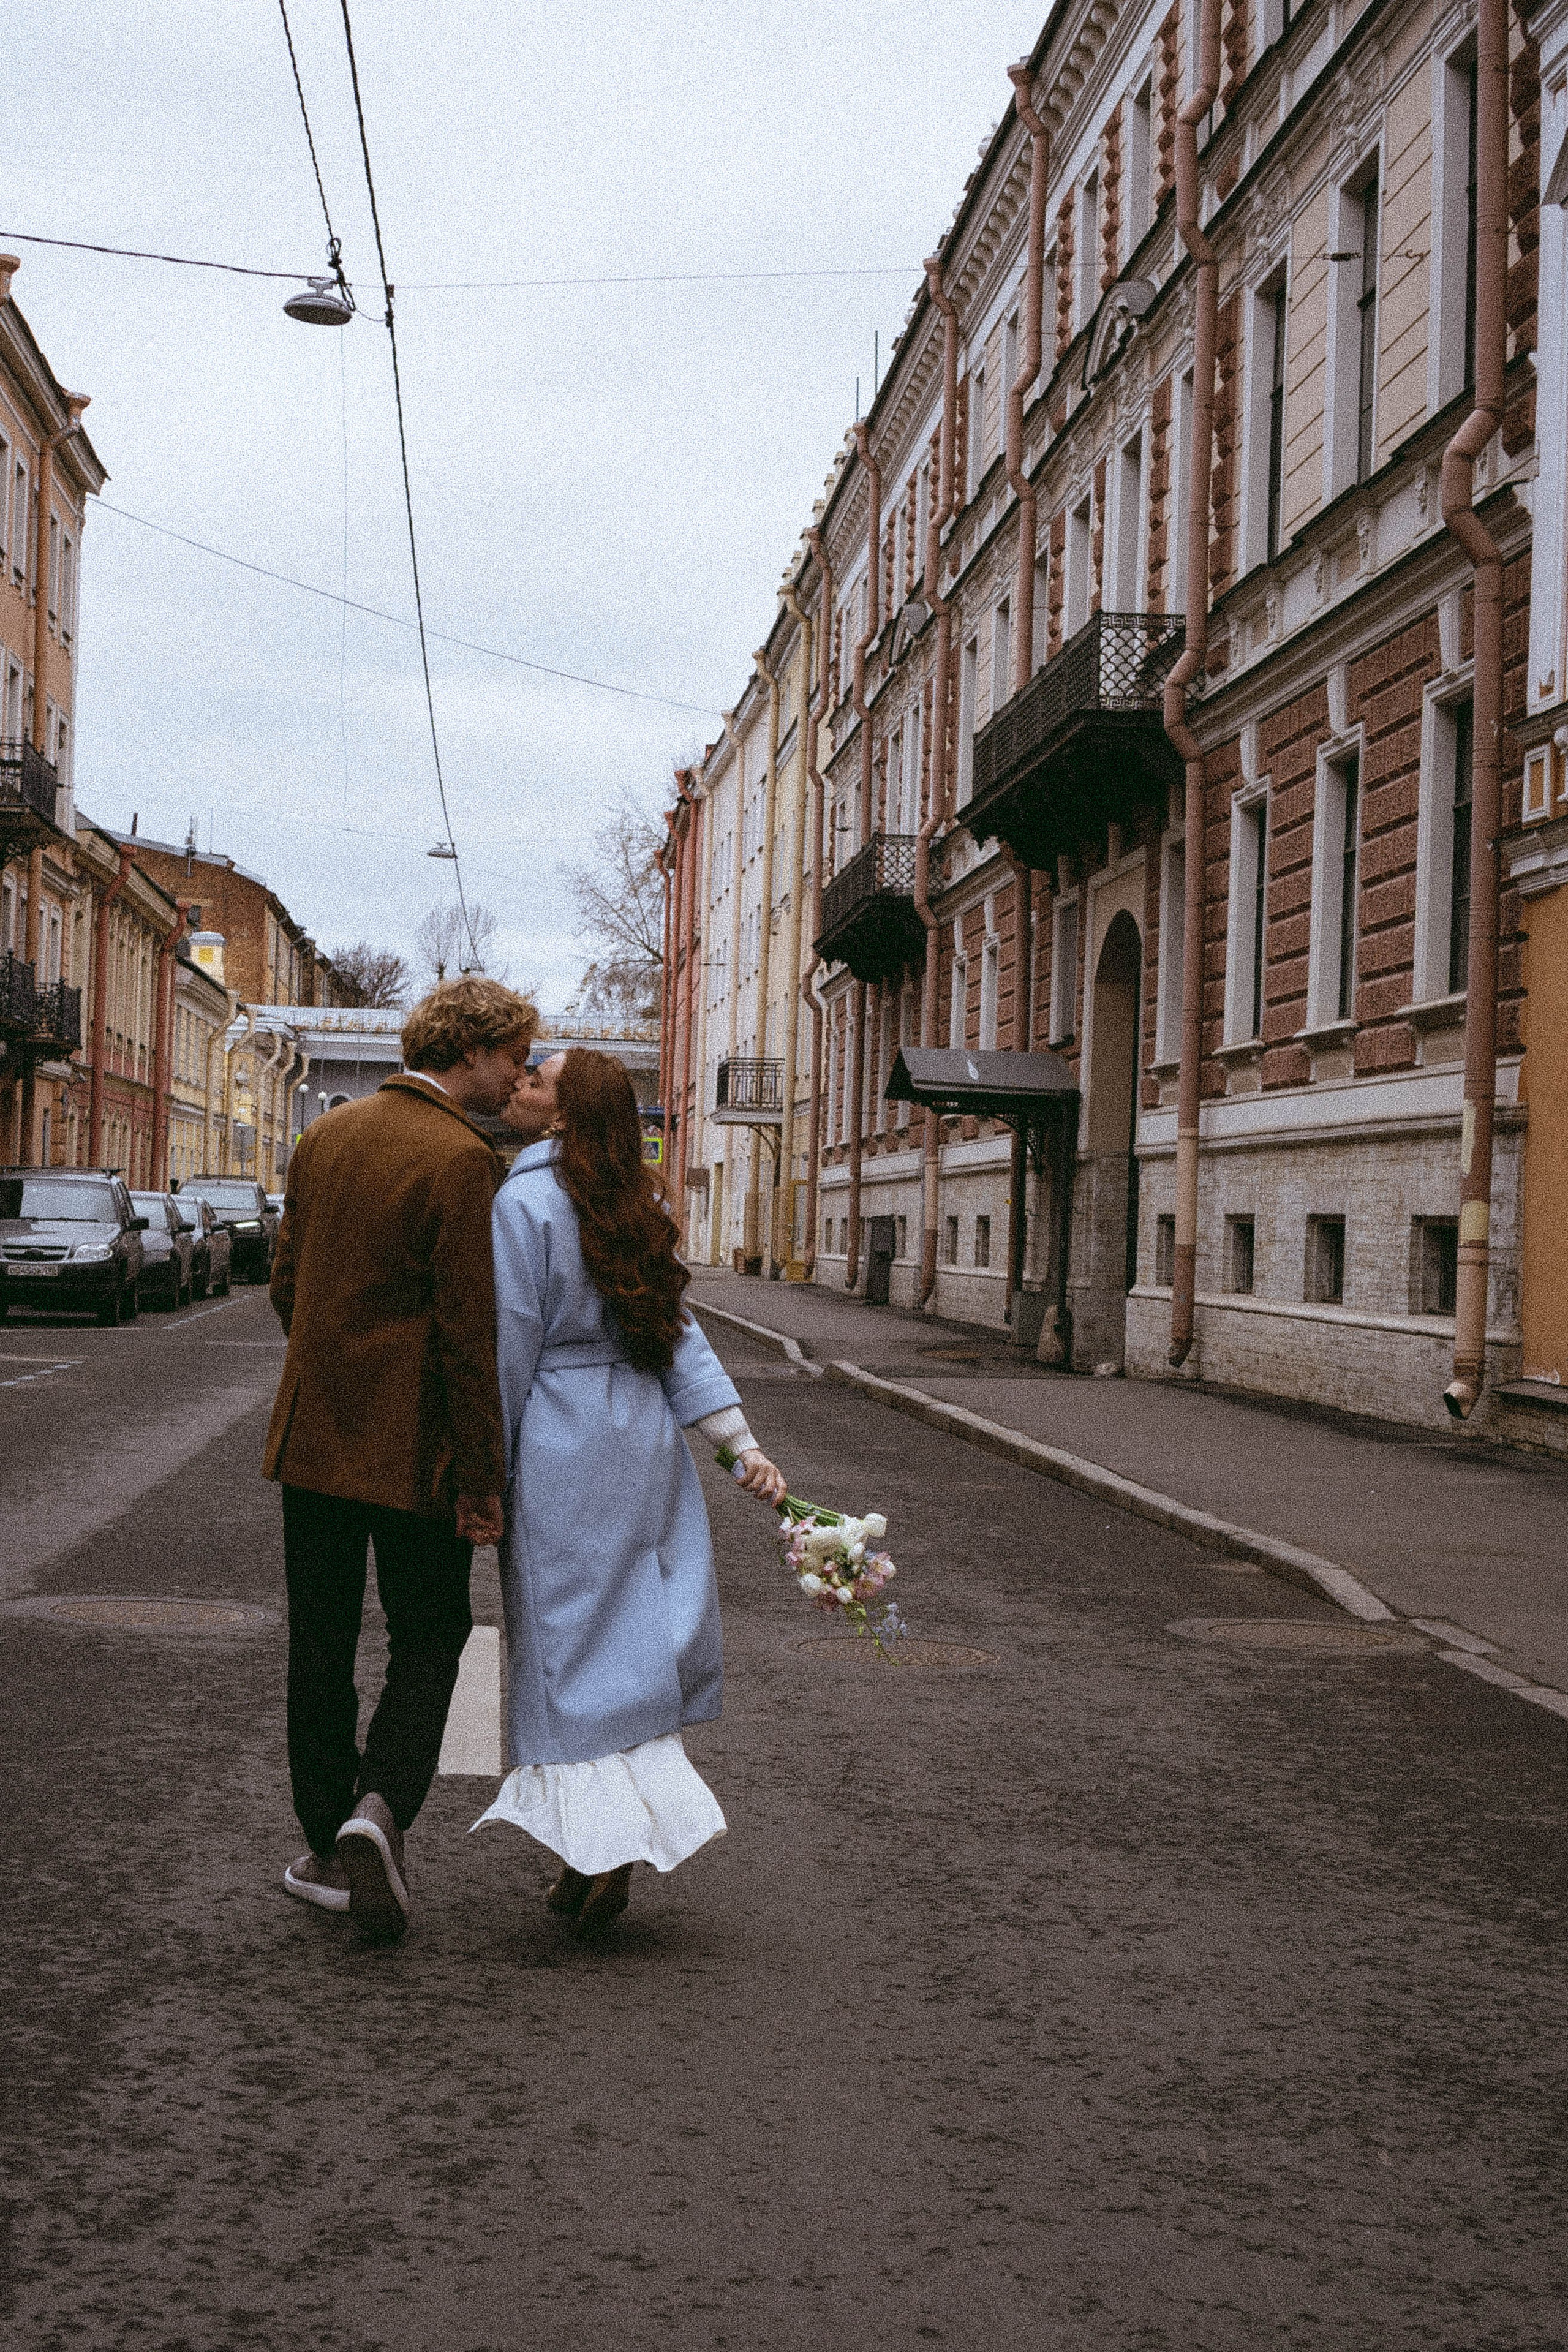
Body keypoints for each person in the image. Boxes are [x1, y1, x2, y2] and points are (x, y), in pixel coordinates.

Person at [473, 1046, 786, 1932]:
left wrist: (483, 1471)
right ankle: (601, 1849)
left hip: (560, 1439)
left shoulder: (524, 1201)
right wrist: (739, 1445)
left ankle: (598, 1849)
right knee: (632, 1639)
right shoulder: (635, 1202)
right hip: (643, 1433)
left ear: (565, 1115)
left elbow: (512, 1341)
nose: (518, 1088)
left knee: (565, 1652)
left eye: (535, 1081)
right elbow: (677, 1329)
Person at [266, 975, 538, 1941]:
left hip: (312, 1438)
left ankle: (324, 1845)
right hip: (414, 1450)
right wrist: (483, 1478)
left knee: (321, 1641)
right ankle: (380, 1808)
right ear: (469, 1049)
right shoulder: (462, 1159)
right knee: (433, 1633)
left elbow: (287, 1283)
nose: (519, 1077)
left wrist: (331, 1364)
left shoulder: (326, 1136)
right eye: (513, 1057)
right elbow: (470, 1334)